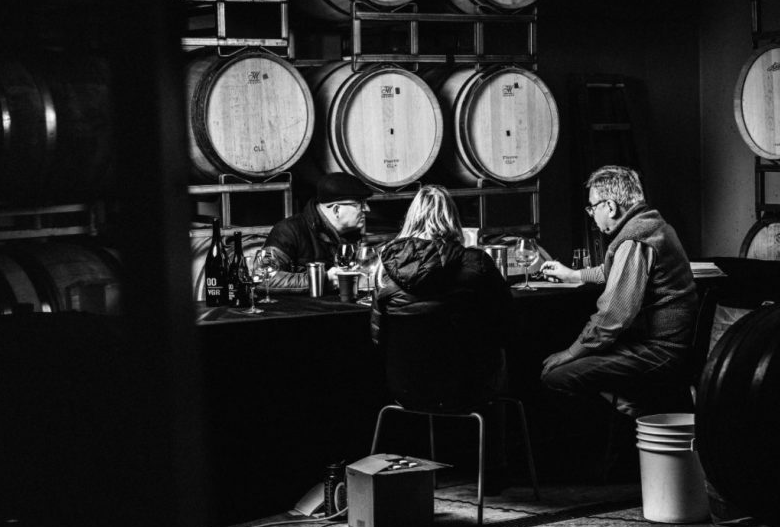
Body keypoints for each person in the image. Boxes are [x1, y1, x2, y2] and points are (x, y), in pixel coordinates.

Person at [370, 185, 516, 493]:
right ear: (453, 219)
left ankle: (409, 471)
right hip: (466, 388)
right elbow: (507, 320)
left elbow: (376, 331)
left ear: (411, 218)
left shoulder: (383, 264)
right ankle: (493, 473)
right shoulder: (476, 262)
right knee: (496, 355)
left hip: (404, 387)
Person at [539, 165, 698, 420]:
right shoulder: (652, 224)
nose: (591, 214)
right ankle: (629, 409)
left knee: (556, 377)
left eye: (593, 207)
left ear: (610, 207)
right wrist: (573, 275)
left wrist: (570, 353)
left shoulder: (634, 240)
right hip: (669, 346)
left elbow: (613, 317)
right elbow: (613, 271)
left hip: (658, 352)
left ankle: (622, 427)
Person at [262, 172, 373, 292]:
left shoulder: (351, 234)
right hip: (302, 309)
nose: (367, 209)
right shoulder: (288, 231)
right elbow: (265, 277)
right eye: (360, 204)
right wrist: (323, 279)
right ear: (336, 210)